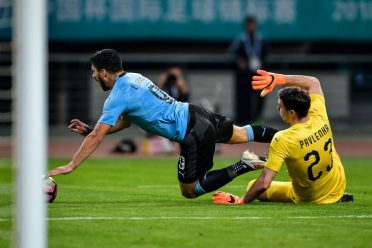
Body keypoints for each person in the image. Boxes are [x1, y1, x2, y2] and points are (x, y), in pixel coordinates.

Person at [47, 49, 278, 199]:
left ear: (105, 72)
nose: (93, 76)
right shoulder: (135, 78)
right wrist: (89, 130)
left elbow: (98, 136)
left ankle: (243, 165)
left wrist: (71, 165)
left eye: (94, 72)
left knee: (190, 190)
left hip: (191, 132)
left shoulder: (117, 95)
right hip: (195, 112)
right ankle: (289, 136)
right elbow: (126, 122)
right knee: (242, 133)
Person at [213, 69, 353, 204]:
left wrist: (241, 201)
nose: (278, 109)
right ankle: (338, 195)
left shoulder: (283, 138)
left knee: (252, 186)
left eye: (280, 106)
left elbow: (264, 183)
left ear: (291, 113)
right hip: (338, 185)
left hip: (311, 197)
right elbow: (313, 82)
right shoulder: (318, 114)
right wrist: (279, 79)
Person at [228, 16, 267, 124]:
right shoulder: (241, 40)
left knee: (259, 97)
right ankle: (243, 120)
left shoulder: (261, 39)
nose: (251, 26)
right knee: (244, 98)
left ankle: (257, 118)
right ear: (246, 26)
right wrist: (239, 61)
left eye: (252, 24)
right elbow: (232, 54)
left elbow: (267, 55)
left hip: (259, 73)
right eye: (249, 24)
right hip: (244, 75)